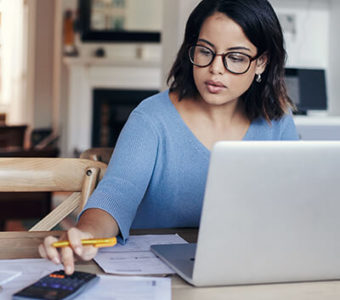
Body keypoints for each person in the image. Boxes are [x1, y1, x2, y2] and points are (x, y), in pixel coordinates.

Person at [39, 0, 299, 274]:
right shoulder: (151, 118)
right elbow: (117, 193)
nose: (215, 69)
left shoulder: (277, 122)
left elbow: (294, 206)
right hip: (154, 274)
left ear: (261, 62)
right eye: (205, 51)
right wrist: (86, 234)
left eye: (235, 57)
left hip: (244, 270)